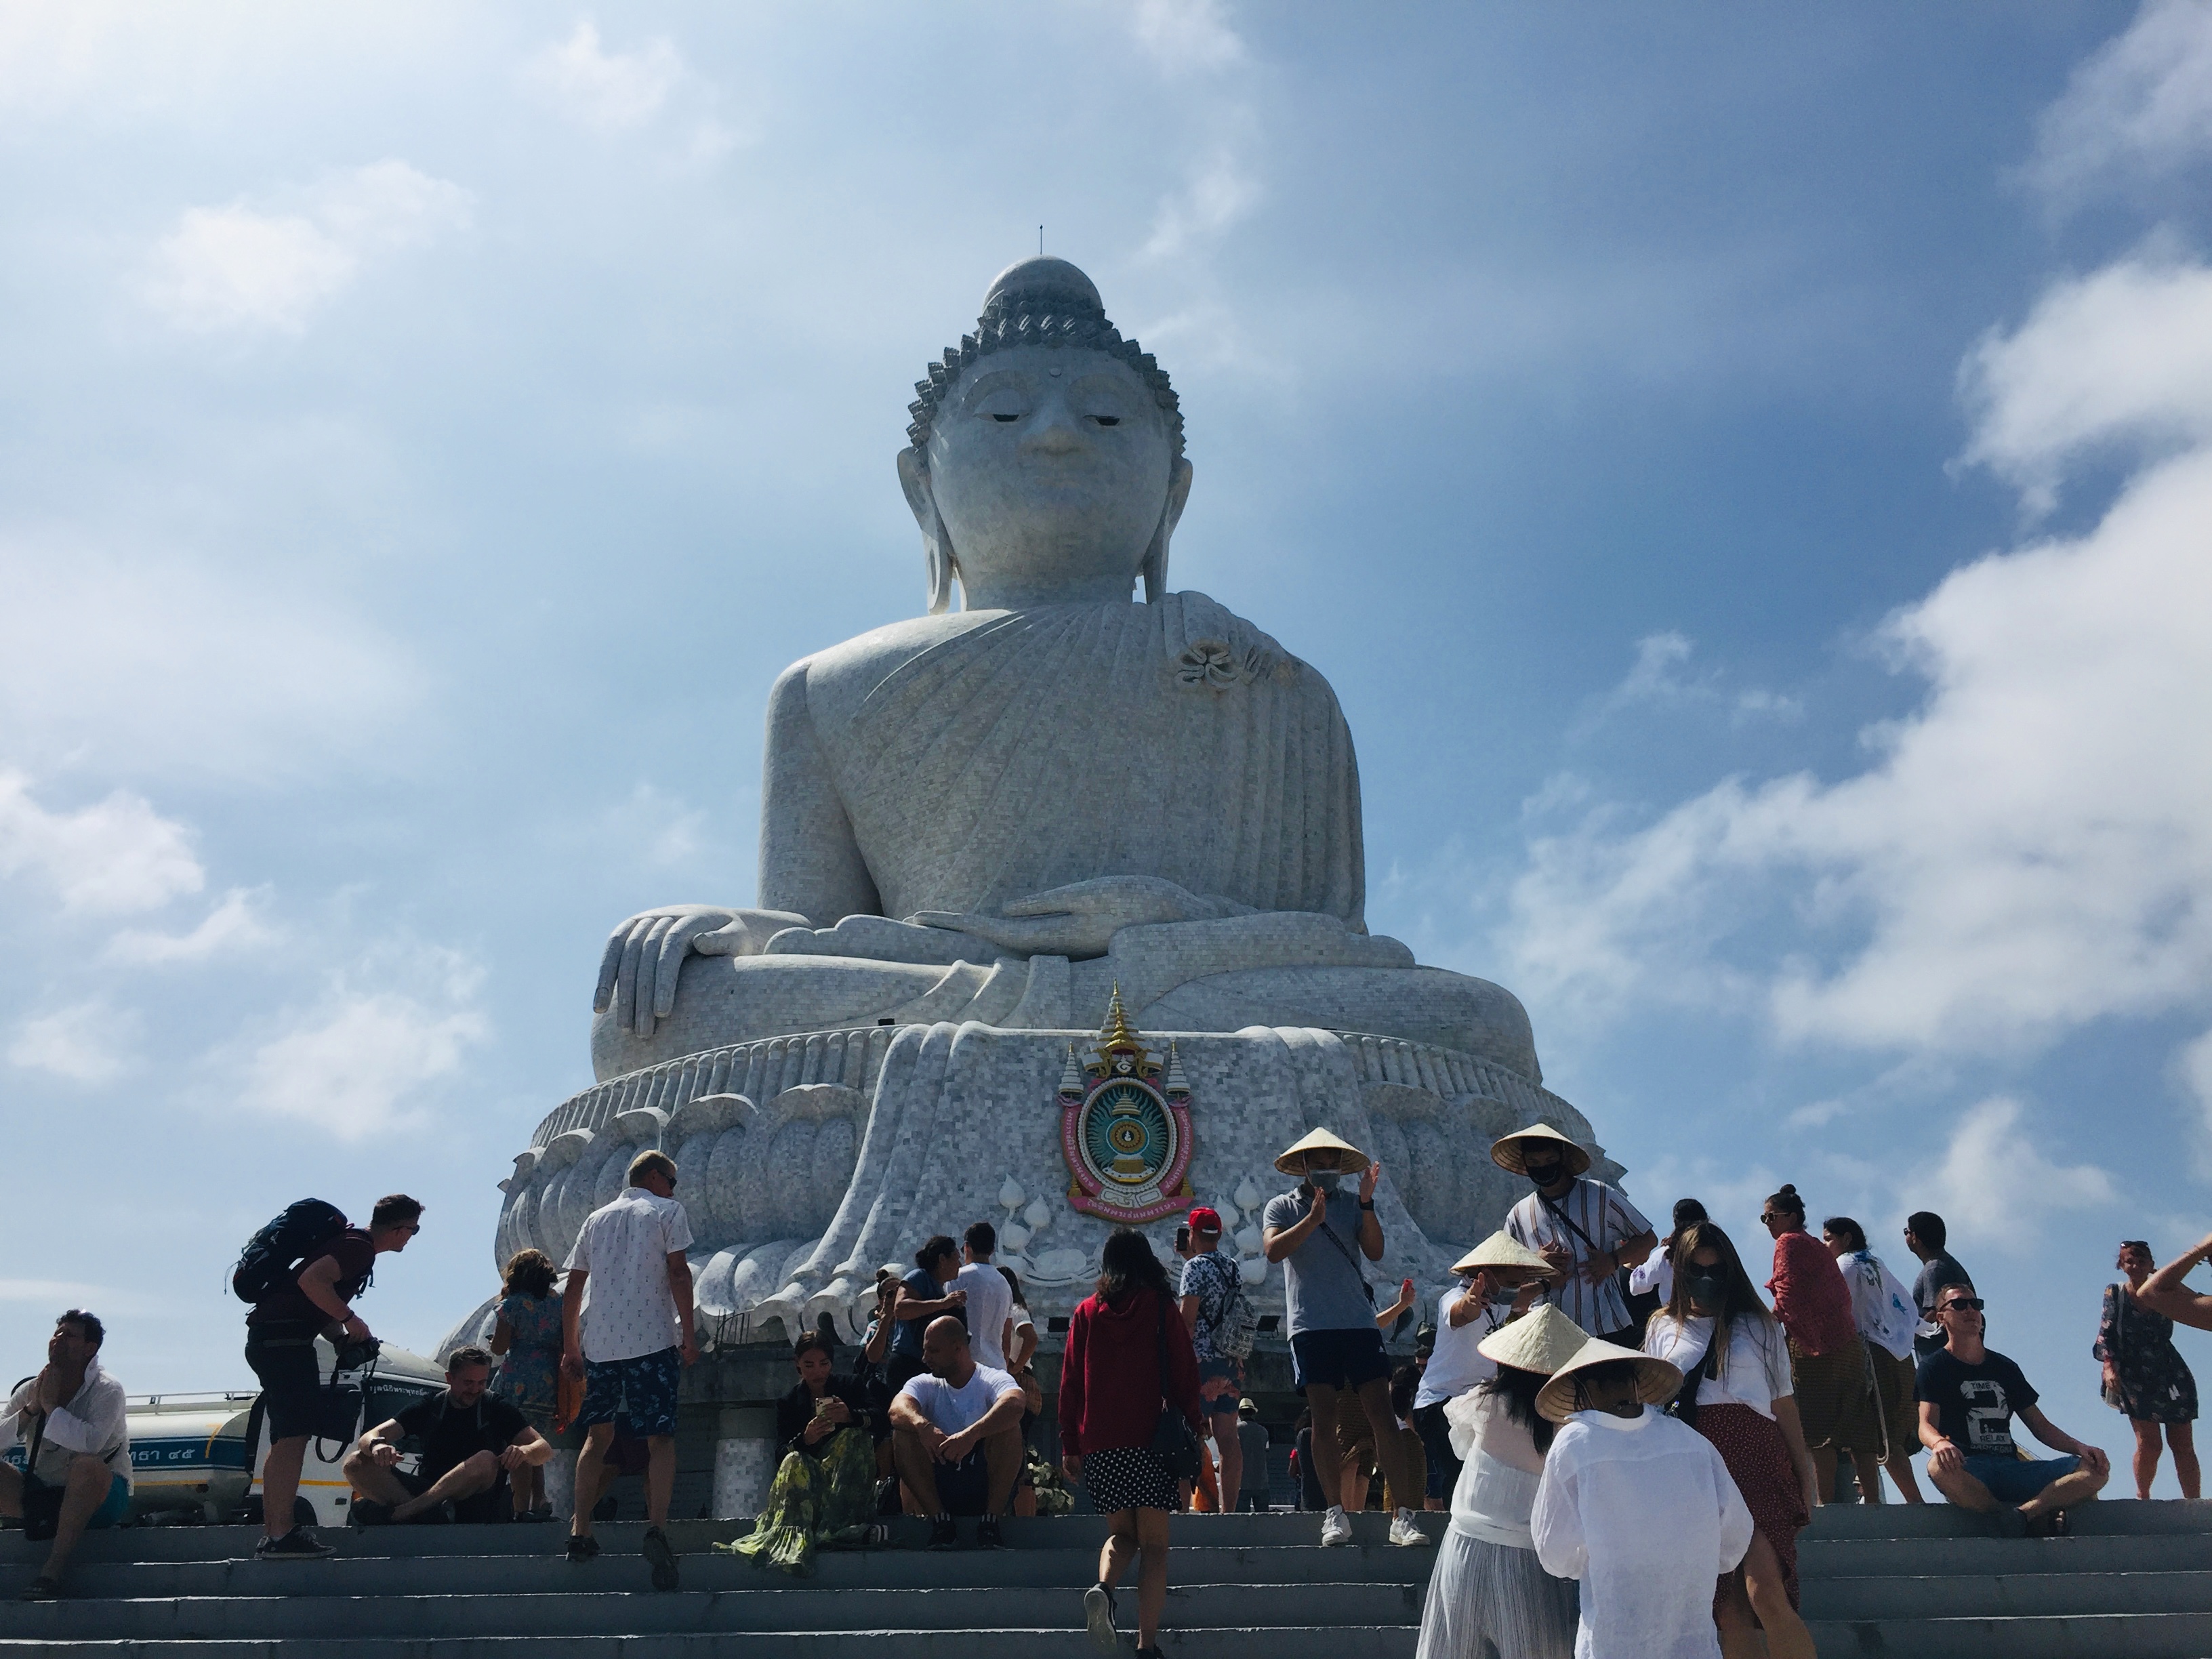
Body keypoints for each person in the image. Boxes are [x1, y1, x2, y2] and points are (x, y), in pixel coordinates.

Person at [1642, 1222, 1820, 1659]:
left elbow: (1783, 1403)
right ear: (1679, 1273)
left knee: (1766, 1593)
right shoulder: (1663, 1327)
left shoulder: (1760, 1326)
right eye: (1696, 1270)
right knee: (1727, 1611)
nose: (1707, 1279)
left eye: (1717, 1270)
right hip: (1691, 1463)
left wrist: (1806, 1473)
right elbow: (1648, 1405)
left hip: (1757, 1455)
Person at [1261, 1127, 1430, 1549]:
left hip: (1357, 1322)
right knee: (1324, 1418)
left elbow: (1374, 1251)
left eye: (1332, 1163)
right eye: (1317, 1163)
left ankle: (1404, 1515)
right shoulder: (1281, 1206)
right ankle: (1334, 1514)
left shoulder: (1354, 1205)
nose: (1325, 1170)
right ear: (1302, 1166)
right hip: (1311, 1324)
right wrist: (1312, 1220)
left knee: (1381, 1413)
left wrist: (1368, 1201)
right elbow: (1273, 1251)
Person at [1532, 1334, 1750, 1659]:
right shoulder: (1689, 1441)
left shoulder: (1575, 1444)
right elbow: (1735, 1537)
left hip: (1614, 1637)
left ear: (1586, 1387)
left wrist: (1603, 1559)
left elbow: (1555, 1553)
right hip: (1690, 1638)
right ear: (1636, 1383)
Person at [244, 1193, 423, 1561]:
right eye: (414, 1231)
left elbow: (310, 1297)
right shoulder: (359, 1248)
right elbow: (312, 1282)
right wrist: (351, 1320)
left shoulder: (351, 1243)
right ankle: (280, 1535)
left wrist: (342, 1339)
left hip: (278, 1339)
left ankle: (276, 1532)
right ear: (401, 1229)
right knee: (292, 1437)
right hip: (284, 1342)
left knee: (287, 1438)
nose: (411, 1238)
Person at [1061, 1227, 1202, 1658]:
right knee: (1156, 1546)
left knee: (1122, 1537)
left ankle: (1104, 1588)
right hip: (1152, 1442)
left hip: (1102, 1444)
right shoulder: (1161, 1309)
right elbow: (1184, 1374)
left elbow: (1069, 1384)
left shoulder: (1086, 1312)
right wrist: (1195, 1426)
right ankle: (1146, 1646)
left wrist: (1070, 1443)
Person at [1415, 1304, 1585, 1659]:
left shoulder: (1483, 1400)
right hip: (1528, 1563)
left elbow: (1461, 1448)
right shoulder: (1569, 1425)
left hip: (1464, 1549)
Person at [560, 1149, 695, 1589]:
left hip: (599, 1345)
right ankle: (656, 1526)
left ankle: (581, 1529)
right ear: (656, 1178)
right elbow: (679, 1274)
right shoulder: (668, 1211)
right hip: (652, 1340)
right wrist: (689, 1333)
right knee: (660, 1438)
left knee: (597, 1438)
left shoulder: (594, 1220)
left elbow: (573, 1288)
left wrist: (571, 1348)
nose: (674, 1189)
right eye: (672, 1181)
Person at [1917, 1283, 2110, 1536]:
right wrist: (1939, 1444)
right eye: (1960, 1305)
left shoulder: (2005, 1367)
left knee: (2095, 1471)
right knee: (1937, 1468)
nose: (1970, 1311)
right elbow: (1925, 1425)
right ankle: (2004, 1515)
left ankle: (2025, 1515)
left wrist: (2081, 1448)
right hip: (1972, 1469)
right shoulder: (1934, 1367)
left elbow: (2040, 1427)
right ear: (1942, 1317)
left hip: (2014, 1467)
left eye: (1976, 1305)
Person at [724, 1331, 888, 1574]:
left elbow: (882, 1421)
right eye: (809, 1365)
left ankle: (842, 1523)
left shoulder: (850, 1386)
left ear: (831, 1364)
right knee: (794, 1459)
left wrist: (851, 1416)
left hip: (846, 1481)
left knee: (855, 1437)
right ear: (798, 1365)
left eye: (824, 1364)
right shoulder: (789, 1402)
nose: (817, 1372)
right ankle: (798, 1532)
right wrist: (806, 1439)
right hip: (810, 1484)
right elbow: (781, 1453)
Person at [1414, 1233, 1553, 1514]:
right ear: (1486, 1273)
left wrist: (1544, 1273)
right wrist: (1470, 1303)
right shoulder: (1454, 1297)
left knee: (1475, 1473)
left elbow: (1524, 1295)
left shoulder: (1499, 1301)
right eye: (1512, 1282)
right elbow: (1460, 1313)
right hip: (1441, 1402)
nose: (1517, 1288)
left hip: (1478, 1404)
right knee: (1456, 1475)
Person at [1761, 1184, 1880, 1504]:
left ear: (1792, 1217)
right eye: (1764, 1217)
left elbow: (1787, 1294)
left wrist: (1763, 1327)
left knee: (1818, 1432)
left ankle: (1824, 1504)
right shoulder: (1813, 1244)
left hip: (1815, 1350)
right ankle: (1873, 1501)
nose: (1768, 1223)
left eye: (1771, 1216)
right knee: (1857, 1428)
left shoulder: (1788, 1242)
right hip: (1848, 1344)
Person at [0, 1311, 130, 1602]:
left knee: (86, 1465)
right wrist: (32, 1409)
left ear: (90, 1348)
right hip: (44, 1497)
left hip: (102, 1498)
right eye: (57, 1333)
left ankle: (53, 1570)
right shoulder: (31, 1388)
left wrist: (51, 1408)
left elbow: (91, 1444)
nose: (58, 1340)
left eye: (69, 1335)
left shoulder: (107, 1390)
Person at [344, 1346, 551, 1525]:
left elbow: (543, 1448)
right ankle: (429, 1515)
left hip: (477, 1499)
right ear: (449, 1379)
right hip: (430, 1493)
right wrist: (377, 1446)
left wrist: (523, 1451)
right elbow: (370, 1435)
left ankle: (403, 1513)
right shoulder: (430, 1406)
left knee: (486, 1459)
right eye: (468, 1383)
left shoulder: (496, 1407)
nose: (475, 1390)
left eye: (481, 1383)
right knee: (355, 1462)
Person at [1494, 1124, 1656, 1343]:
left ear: (1562, 1158)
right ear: (1525, 1163)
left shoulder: (1600, 1195)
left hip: (1606, 1325)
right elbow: (1503, 1286)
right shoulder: (1518, 1215)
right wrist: (1535, 1264)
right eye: (1534, 1163)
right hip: (1546, 1334)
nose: (1542, 1167)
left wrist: (1612, 1260)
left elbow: (1648, 1239)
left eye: (1549, 1161)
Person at [891, 1314, 1025, 1549]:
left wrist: (971, 1436)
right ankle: (941, 1524)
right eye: (925, 1350)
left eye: (933, 1351)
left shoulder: (991, 1378)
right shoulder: (925, 1382)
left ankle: (990, 1523)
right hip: (941, 1482)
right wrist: (924, 1427)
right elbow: (896, 1409)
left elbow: (1016, 1403)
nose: (925, 1358)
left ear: (958, 1349)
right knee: (903, 1431)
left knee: (1009, 1427)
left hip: (982, 1481)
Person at [1820, 1216, 1924, 1504]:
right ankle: (1880, 1499)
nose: (1824, 1244)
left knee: (1877, 1434)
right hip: (1899, 1355)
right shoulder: (1875, 1262)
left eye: (1828, 1238)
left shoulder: (1845, 1266)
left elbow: (1829, 1308)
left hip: (1871, 1355)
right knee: (1880, 1433)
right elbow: (1904, 1305)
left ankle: (1913, 1502)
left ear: (1846, 1238)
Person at [2096, 1240, 2199, 1500]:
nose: (2135, 1266)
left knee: (2183, 1443)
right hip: (2134, 1371)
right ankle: (2143, 1496)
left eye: (2142, 1261)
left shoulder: (2165, 1290)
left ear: (2151, 1265)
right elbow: (2106, 1331)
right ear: (2121, 1264)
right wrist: (2109, 1366)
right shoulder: (2116, 1292)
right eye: (2130, 1261)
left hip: (2169, 1368)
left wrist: (2165, 1277)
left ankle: (2195, 1502)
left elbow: (2193, 1301)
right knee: (2150, 1443)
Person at [1178, 1204, 1252, 1512]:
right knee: (1228, 1436)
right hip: (1230, 1361)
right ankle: (1228, 1510)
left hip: (1199, 1362)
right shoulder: (1232, 1265)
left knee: (1185, 1433)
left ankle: (1183, 1506)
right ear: (1219, 1234)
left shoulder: (1193, 1269)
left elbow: (1189, 1320)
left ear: (1192, 1234)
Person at [488, 1248, 562, 1520]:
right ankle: (540, 1498)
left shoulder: (513, 1305)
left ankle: (521, 1508)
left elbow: (499, 1347)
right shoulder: (557, 1301)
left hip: (517, 1377)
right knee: (535, 1443)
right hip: (548, 1378)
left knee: (517, 1446)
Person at [889, 1235, 967, 1394]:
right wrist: (943, 1304)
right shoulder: (918, 1277)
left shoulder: (938, 1287)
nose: (960, 1265)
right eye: (956, 1259)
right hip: (907, 1362)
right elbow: (901, 1309)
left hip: (928, 1364)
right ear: (942, 1260)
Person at [1902, 1211, 1973, 1361]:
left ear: (1915, 1237)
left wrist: (1907, 1338)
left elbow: (1935, 1312)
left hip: (1941, 1357)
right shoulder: (1947, 1264)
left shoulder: (1935, 1269)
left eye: (1907, 1232)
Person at [1628, 1200, 1708, 1319]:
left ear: (1676, 1222)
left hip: (1680, 1325)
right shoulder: (1720, 1251)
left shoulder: (1665, 1255)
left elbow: (1637, 1286)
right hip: (1719, 1324)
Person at [953, 1221, 1014, 1371]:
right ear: (992, 1250)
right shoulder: (1004, 1283)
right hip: (996, 1366)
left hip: (965, 1367)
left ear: (967, 1247)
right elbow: (1007, 1335)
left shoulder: (958, 1277)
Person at [999, 1265, 1039, 1376]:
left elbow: (1032, 1338)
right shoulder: (1004, 1309)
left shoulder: (1016, 1309)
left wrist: (1016, 1367)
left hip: (1018, 1374)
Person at [1235, 1400, 1271, 1512]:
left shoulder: (1236, 1430)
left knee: (1241, 1521)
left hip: (1241, 1482)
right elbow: (1266, 1452)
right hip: (1262, 1481)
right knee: (1263, 1521)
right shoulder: (1263, 1431)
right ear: (1253, 1413)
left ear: (1240, 1414)